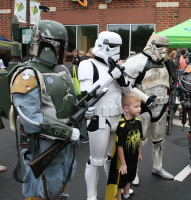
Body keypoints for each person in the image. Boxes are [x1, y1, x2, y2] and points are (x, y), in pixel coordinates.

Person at [9, 20, 80, 200]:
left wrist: (81, 112)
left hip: (65, 140)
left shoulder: (62, 70)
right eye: (58, 44)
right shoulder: (28, 74)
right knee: (44, 181)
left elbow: (70, 100)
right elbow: (30, 119)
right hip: (42, 142)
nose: (60, 50)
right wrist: (67, 132)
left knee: (64, 173)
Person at [78, 31, 130, 200]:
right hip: (99, 118)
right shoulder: (87, 65)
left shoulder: (115, 67)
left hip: (118, 117)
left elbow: (127, 92)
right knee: (96, 160)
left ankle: (114, 191)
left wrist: (122, 81)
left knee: (114, 159)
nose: (116, 51)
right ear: (102, 45)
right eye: (113, 47)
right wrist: (110, 77)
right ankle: (91, 196)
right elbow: (87, 94)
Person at [121, 34, 174, 185]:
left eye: (166, 47)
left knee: (159, 141)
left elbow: (169, 84)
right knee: (137, 141)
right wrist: (144, 98)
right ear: (150, 45)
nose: (163, 51)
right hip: (142, 107)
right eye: (159, 47)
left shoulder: (167, 64)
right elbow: (126, 86)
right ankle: (133, 170)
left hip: (162, 106)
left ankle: (158, 167)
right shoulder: (136, 61)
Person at [116, 93, 143, 200]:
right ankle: (118, 197)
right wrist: (123, 164)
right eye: (136, 107)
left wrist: (139, 153)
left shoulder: (138, 122)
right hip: (124, 159)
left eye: (139, 106)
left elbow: (139, 139)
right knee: (121, 181)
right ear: (126, 108)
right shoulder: (122, 125)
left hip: (133, 157)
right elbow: (120, 146)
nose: (139, 109)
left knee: (130, 178)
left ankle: (126, 195)